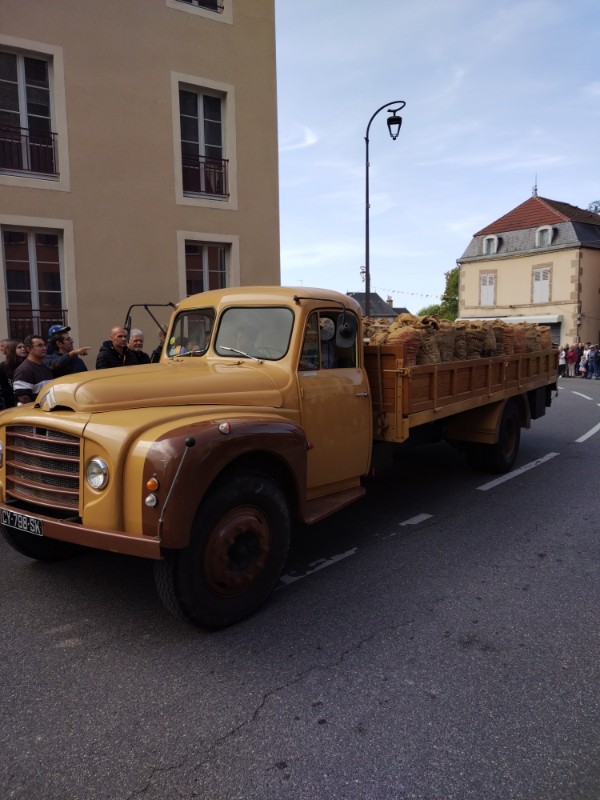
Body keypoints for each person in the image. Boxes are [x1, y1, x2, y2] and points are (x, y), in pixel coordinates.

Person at [12, 334, 54, 404]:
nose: (44, 348)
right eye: (40, 345)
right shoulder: (24, 370)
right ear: (29, 349)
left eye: (44, 345)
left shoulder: (45, 367)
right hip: (33, 410)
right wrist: (36, 408)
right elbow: (23, 397)